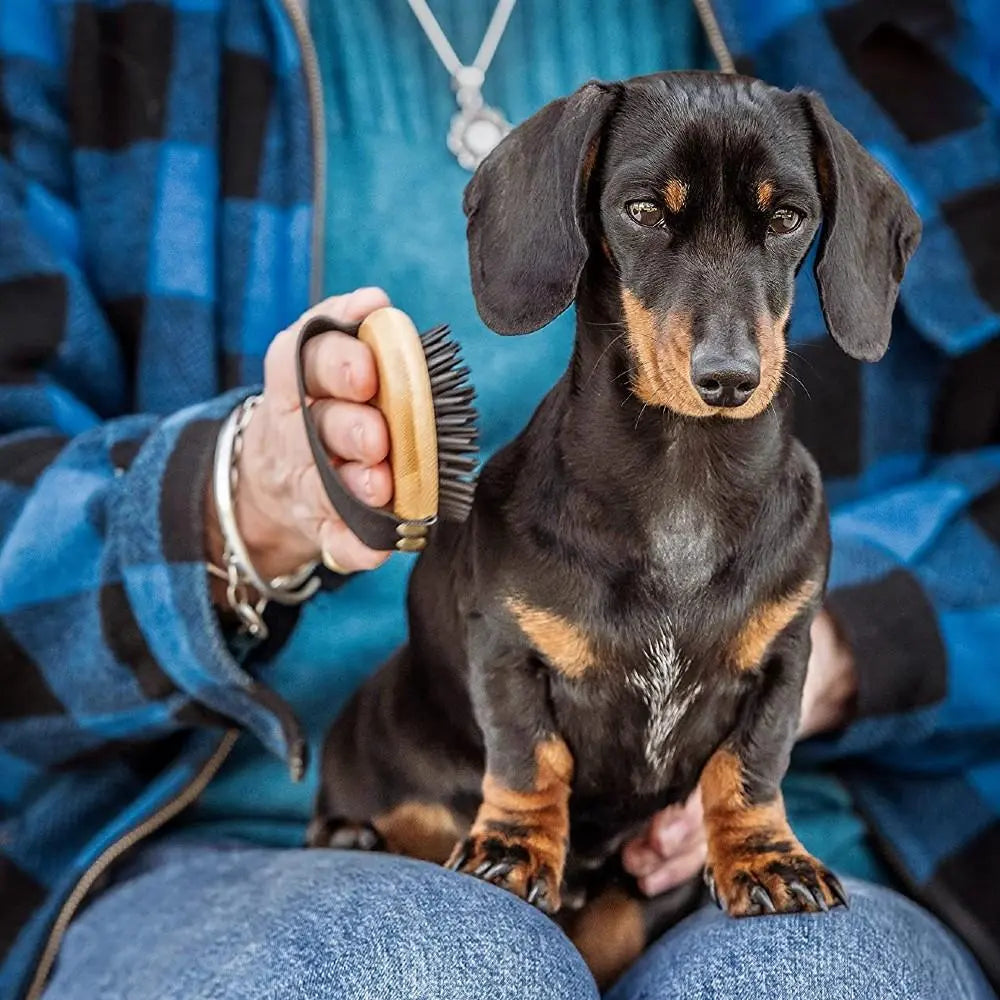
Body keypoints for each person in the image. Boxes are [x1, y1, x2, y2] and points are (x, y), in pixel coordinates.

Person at [1, 1, 998, 998]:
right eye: (649, 214)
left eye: (778, 221)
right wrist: (226, 503)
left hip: (785, 824)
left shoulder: (877, 27)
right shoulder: (80, 26)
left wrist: (824, 646)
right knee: (436, 969)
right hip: (269, 823)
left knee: (824, 985)